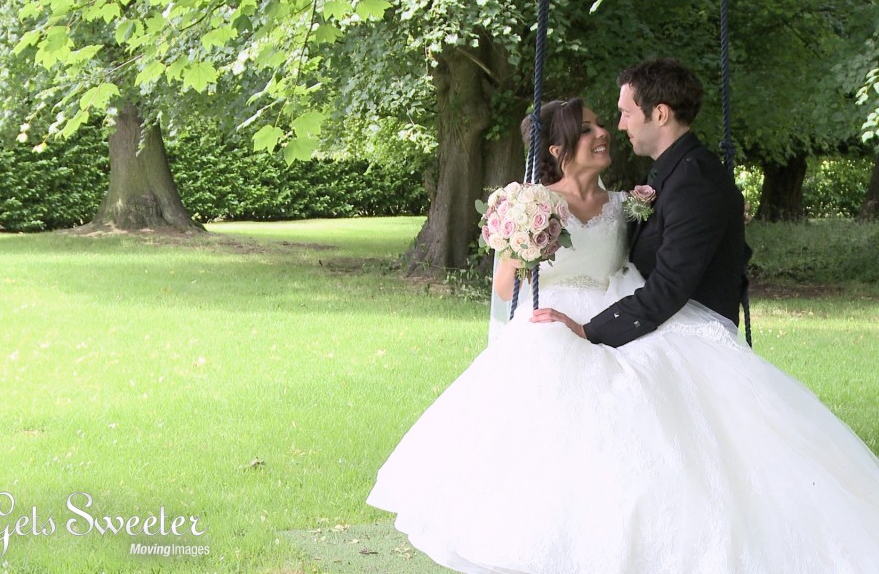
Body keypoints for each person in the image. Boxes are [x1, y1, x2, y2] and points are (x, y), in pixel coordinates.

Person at [367, 92, 879, 572]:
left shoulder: (624, 204)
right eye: (588, 128)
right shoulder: (531, 202)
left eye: (602, 122)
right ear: (559, 148)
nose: (604, 132)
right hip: (558, 317)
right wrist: (521, 236)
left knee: (677, 391)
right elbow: (505, 291)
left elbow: (668, 240)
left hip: (620, 308)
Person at [533, 58, 746, 346]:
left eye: (626, 113)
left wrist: (589, 332)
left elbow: (670, 285)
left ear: (660, 114)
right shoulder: (669, 172)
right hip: (659, 321)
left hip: (690, 333)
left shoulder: (694, 181)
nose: (619, 126)